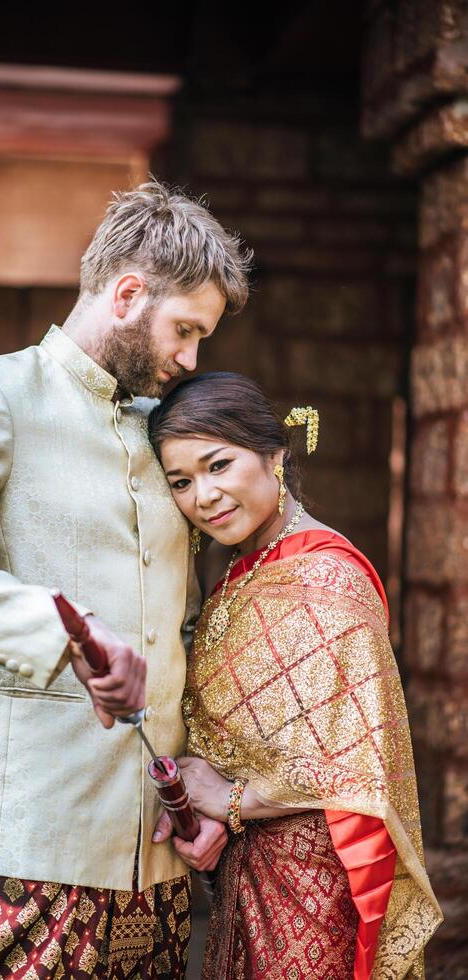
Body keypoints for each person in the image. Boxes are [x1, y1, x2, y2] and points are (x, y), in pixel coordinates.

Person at [0, 182, 253, 979]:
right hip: (27, 843)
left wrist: (206, 794)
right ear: (128, 293)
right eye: (185, 330)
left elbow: (180, 630)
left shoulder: (165, 433)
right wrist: (62, 628)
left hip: (155, 860)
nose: (190, 359)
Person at [148, 372, 442, 980]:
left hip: (314, 880)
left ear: (274, 456)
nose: (203, 495)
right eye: (182, 481)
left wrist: (226, 798)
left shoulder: (326, 579)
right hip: (247, 868)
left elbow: (352, 766)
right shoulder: (239, 567)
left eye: (219, 465)